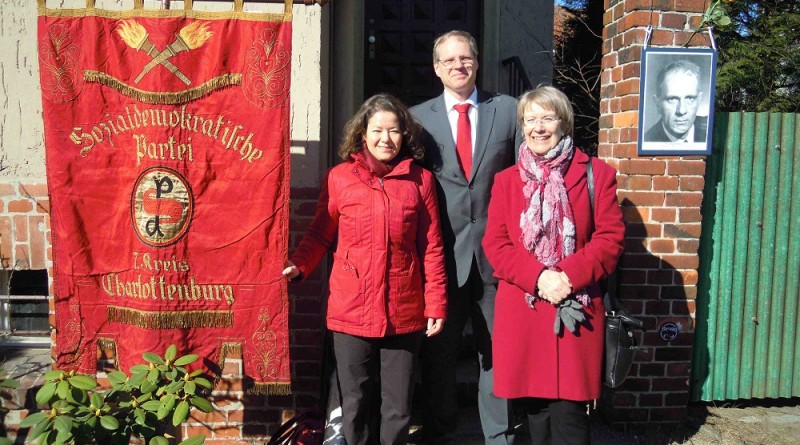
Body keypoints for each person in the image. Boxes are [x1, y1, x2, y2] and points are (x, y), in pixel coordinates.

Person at [282, 93, 447, 445]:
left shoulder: (421, 182)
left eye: (394, 131)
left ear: (405, 136)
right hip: (351, 311)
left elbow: (432, 247)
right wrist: (299, 265)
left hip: (404, 311)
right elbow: (319, 234)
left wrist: (436, 303)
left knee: (398, 408)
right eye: (377, 130)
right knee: (353, 402)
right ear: (362, 134)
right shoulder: (340, 178)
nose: (385, 139)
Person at [482, 85, 625, 444]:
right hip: (524, 311)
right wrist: (538, 277)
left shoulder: (597, 174)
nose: (539, 127)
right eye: (531, 119)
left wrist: (566, 276)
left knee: (570, 416)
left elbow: (610, 239)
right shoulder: (506, 181)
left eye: (548, 118)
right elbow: (495, 243)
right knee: (533, 415)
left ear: (565, 123)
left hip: (575, 308)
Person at [409, 30, 519, 445]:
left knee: (496, 353)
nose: (459, 65)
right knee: (439, 356)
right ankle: (440, 430)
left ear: (477, 61)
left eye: (466, 58)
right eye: (449, 60)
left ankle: (499, 435)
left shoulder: (507, 110)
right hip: (441, 256)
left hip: (498, 255)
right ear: (437, 68)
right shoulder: (417, 119)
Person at [643, 59, 707, 143]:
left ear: (699, 100)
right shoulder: (648, 140)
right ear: (658, 103)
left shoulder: (712, 130)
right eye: (672, 99)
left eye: (690, 98)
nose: (681, 110)